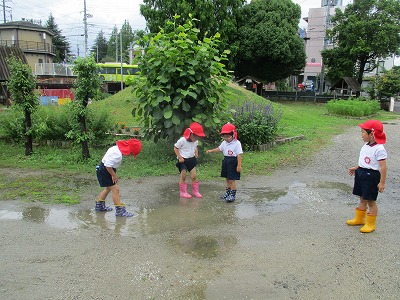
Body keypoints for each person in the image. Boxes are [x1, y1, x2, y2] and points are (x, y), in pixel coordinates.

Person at [346, 120, 387, 233]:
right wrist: (357, 167)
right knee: (362, 197)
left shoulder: (379, 149)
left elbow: (383, 167)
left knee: (371, 200)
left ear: (372, 134)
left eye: (363, 132)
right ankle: (359, 219)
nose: (361, 135)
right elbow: (365, 161)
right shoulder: (366, 145)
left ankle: (370, 224)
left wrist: (382, 182)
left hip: (371, 176)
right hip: (361, 173)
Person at [95, 138, 142, 217]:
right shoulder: (118, 155)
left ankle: (99, 206)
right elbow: (107, 165)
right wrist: (113, 175)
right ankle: (120, 211)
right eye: (131, 153)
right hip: (105, 170)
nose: (129, 155)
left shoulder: (116, 148)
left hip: (104, 168)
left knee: (108, 188)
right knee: (116, 189)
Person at [206, 123, 243, 202]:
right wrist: (211, 151)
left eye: (228, 136)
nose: (226, 138)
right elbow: (219, 149)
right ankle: (228, 193)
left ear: (233, 134)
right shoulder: (224, 143)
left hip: (233, 161)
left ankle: (232, 195)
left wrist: (239, 165)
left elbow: (239, 155)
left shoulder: (237, 143)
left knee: (231, 179)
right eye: (224, 136)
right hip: (226, 161)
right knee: (227, 178)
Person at [174, 122, 206, 198]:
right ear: (190, 133)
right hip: (183, 161)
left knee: (194, 176)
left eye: (198, 137)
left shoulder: (196, 141)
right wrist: (180, 157)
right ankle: (183, 192)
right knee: (183, 176)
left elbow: (196, 146)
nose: (196, 138)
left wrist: (196, 153)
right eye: (195, 136)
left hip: (192, 159)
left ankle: (195, 191)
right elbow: (175, 148)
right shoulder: (182, 140)